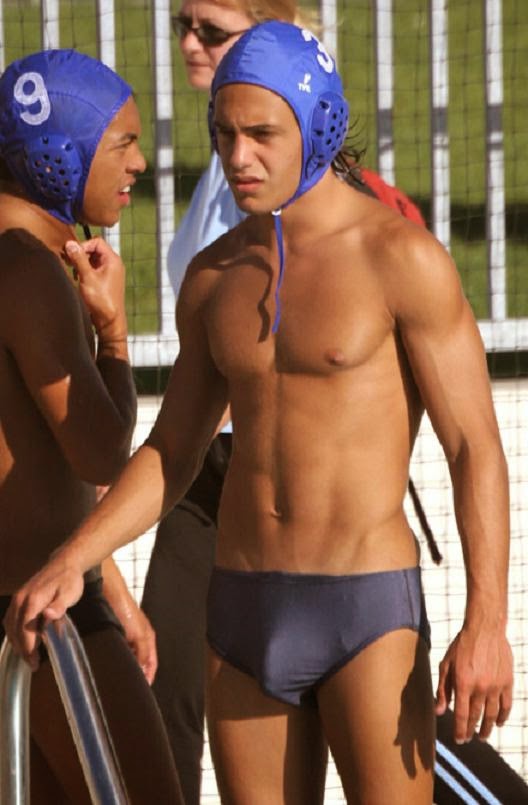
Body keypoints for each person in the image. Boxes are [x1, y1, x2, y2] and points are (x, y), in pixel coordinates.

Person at [4, 23, 513, 805]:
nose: (237, 157)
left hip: (366, 608)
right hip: (243, 611)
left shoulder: (399, 258)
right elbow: (172, 449)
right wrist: (76, 557)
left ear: (317, 126)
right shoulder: (215, 277)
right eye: (224, 134)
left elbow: (474, 445)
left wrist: (486, 621)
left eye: (262, 134)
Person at [141, 2, 315, 802]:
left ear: (269, 28)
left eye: (210, 29)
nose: (188, 43)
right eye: (182, 24)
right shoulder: (228, 159)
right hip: (200, 471)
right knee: (162, 679)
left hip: (283, 479)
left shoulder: (296, 159)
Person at [0, 49, 183, 803]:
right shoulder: (28, 269)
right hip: (45, 615)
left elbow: (34, 474)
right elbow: (100, 451)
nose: (139, 162)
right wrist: (113, 333)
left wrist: (114, 588)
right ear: (61, 153)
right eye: (122, 143)